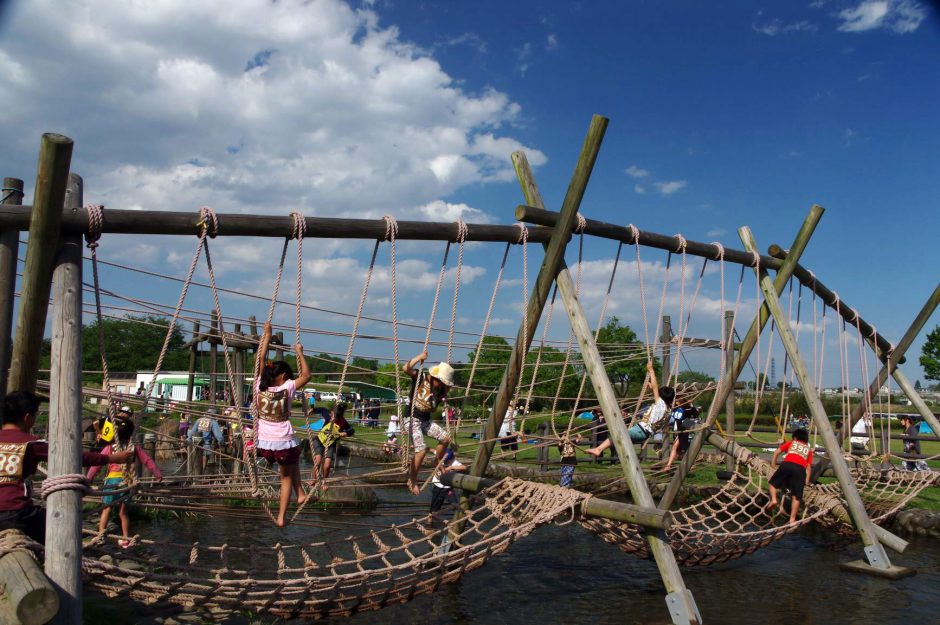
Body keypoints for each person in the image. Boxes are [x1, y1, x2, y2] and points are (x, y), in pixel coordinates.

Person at [0, 391, 133, 543]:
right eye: (36, 416)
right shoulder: (31, 444)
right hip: (17, 512)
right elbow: (72, 457)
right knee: (61, 529)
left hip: (13, 512)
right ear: (27, 418)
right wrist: (110, 458)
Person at [256, 321, 311, 527]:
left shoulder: (258, 387)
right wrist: (299, 353)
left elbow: (261, 358)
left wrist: (267, 335)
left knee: (293, 459)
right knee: (285, 478)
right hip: (283, 443)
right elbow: (306, 375)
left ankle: (301, 494)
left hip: (265, 446)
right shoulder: (287, 388)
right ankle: (281, 517)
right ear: (285, 376)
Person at [87, 417, 162, 548]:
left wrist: (89, 478)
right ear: (131, 433)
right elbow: (147, 460)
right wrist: (157, 474)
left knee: (106, 509)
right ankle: (126, 537)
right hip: (127, 482)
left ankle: (100, 536)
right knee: (123, 512)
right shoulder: (133, 447)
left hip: (112, 482)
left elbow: (96, 464)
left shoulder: (110, 447)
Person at [586, 362, 674, 456]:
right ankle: (601, 450)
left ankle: (599, 449)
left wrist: (651, 371)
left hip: (640, 431)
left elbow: (656, 388)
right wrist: (652, 387)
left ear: (661, 397)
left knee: (618, 434)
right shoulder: (668, 412)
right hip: (644, 434)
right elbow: (655, 390)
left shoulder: (660, 404)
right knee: (619, 437)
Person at [404, 349, 455, 496]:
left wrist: (442, 396)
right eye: (444, 383)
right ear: (437, 378)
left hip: (425, 421)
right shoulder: (421, 378)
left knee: (446, 438)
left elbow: (432, 409)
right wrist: (419, 357)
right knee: (421, 450)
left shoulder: (440, 391)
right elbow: (406, 368)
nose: (445, 386)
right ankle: (412, 479)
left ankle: (437, 460)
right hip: (412, 418)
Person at [766, 427, 813, 524]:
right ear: (806, 440)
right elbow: (808, 467)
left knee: (772, 484)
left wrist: (773, 465)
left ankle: (774, 500)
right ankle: (792, 519)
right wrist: (807, 480)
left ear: (795, 438)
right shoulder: (808, 450)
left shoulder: (792, 443)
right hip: (800, 469)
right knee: (796, 496)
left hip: (787, 464)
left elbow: (776, 452)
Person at [311, 404, 355, 490]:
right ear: (331, 413)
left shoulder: (342, 422)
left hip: (331, 444)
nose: (332, 417)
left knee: (327, 465)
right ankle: (313, 480)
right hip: (319, 440)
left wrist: (346, 433)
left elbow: (351, 430)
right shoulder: (328, 414)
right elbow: (322, 409)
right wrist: (312, 410)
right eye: (332, 415)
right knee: (318, 461)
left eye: (335, 417)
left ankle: (324, 481)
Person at [429, 449, 465, 518]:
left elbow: (464, 467)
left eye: (448, 461)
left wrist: (451, 467)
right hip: (437, 486)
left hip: (448, 488)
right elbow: (431, 449)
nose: (446, 462)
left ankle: (458, 520)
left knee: (455, 504)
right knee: (435, 506)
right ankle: (430, 520)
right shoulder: (440, 455)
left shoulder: (454, 462)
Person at [188, 408, 225, 473]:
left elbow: (191, 432)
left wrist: (189, 439)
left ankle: (196, 476)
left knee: (196, 462)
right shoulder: (213, 422)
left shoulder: (199, 420)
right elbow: (219, 436)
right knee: (204, 460)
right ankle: (201, 476)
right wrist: (222, 443)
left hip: (196, 443)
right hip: (206, 444)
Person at [664, 404, 699, 470]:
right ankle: (691, 464)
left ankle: (668, 465)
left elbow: (695, 414)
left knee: (674, 447)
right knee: (680, 451)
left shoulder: (686, 409)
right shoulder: (675, 409)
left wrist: (691, 405)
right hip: (677, 431)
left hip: (683, 430)